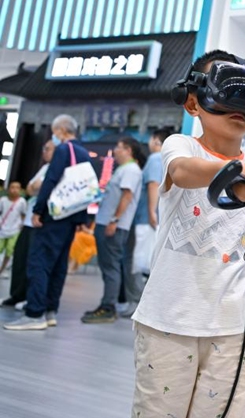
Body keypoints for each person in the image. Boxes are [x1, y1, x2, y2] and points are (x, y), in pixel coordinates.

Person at [130, 50, 245, 417]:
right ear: (193, 103)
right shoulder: (180, 147)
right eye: (229, 89)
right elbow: (182, 172)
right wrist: (236, 173)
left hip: (236, 327)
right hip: (169, 321)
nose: (238, 105)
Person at [4, 115, 91, 331]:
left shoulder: (63, 150)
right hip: (71, 218)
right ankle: (50, 310)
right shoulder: (83, 153)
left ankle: (34, 313)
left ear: (61, 130)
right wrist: (82, 219)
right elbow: (86, 188)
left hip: (54, 216)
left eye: (55, 131)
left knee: (39, 262)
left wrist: (38, 210)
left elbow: (51, 180)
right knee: (59, 264)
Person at [81, 136, 144, 324]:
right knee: (108, 266)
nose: (115, 150)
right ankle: (108, 305)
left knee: (111, 267)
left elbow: (126, 196)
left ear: (129, 151)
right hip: (107, 223)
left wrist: (114, 220)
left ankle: (108, 307)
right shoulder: (125, 169)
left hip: (113, 226)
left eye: (119, 147)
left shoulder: (131, 170)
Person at [120, 127, 173, 318]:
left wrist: (151, 211)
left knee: (134, 261)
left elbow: (152, 185)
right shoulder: (166, 159)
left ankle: (137, 303)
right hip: (150, 217)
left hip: (144, 217)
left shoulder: (154, 158)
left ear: (155, 140)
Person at [1, 140, 54, 308]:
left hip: (41, 222)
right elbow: (30, 189)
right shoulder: (45, 167)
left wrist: (37, 186)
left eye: (47, 149)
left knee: (35, 263)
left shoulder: (58, 169)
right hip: (29, 222)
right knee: (20, 260)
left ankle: (30, 300)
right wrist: (35, 186)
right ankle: (16, 295)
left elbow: (40, 187)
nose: (44, 152)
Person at [0, 181, 27, 277]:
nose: (14, 190)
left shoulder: (22, 202)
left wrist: (21, 225)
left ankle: (2, 269)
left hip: (14, 229)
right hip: (2, 228)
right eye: (12, 187)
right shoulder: (3, 200)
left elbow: (23, 214)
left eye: (17, 188)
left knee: (10, 250)